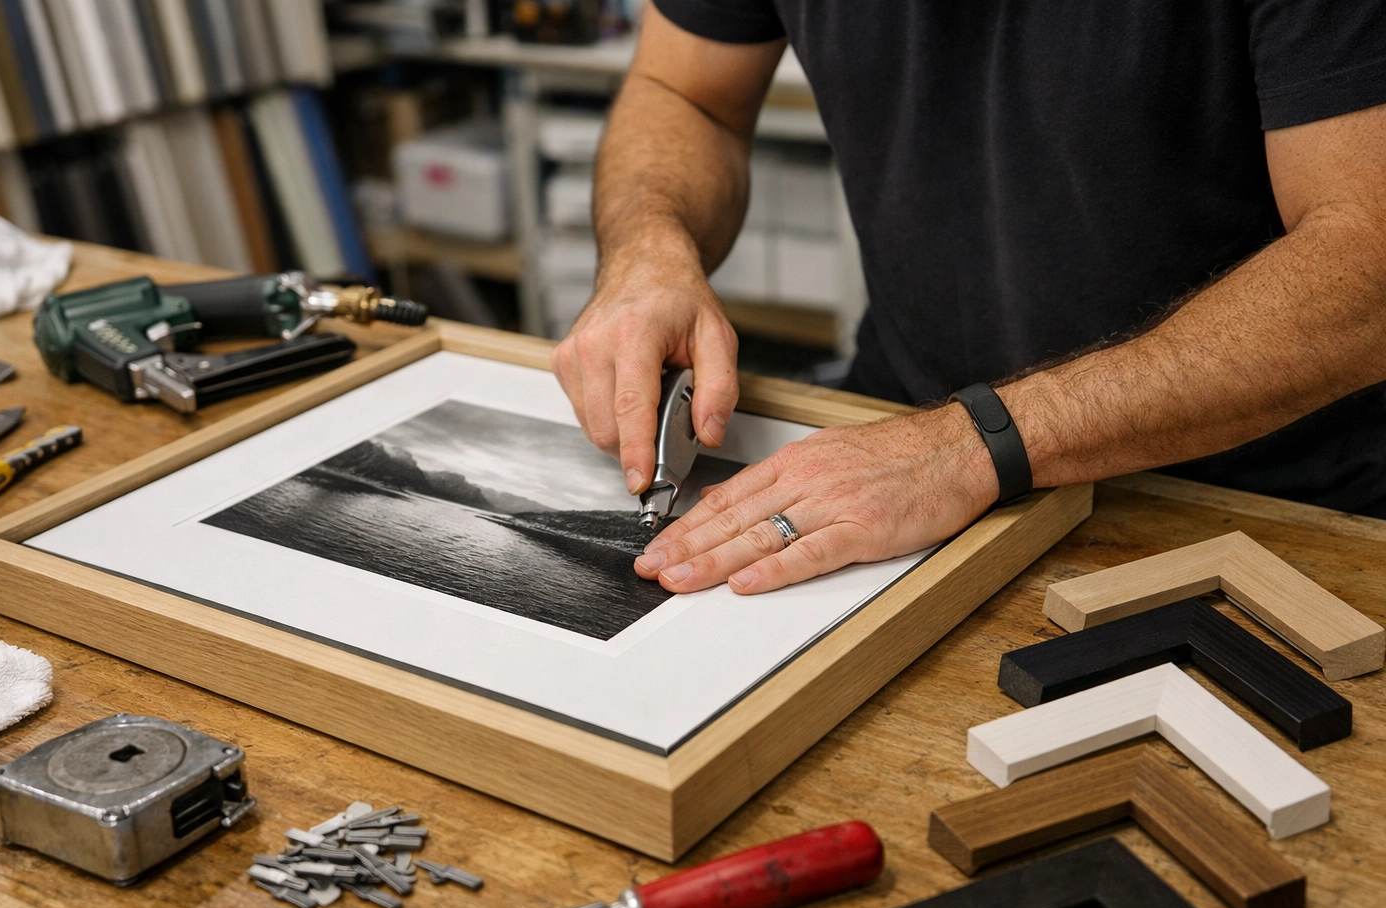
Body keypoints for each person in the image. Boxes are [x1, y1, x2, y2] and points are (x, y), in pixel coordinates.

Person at [550, 1, 1386, 598]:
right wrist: (648, 249)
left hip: (1259, 504)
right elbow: (687, 92)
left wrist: (975, 443)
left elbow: (1367, 257)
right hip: (898, 441)